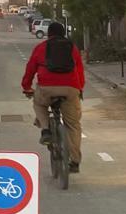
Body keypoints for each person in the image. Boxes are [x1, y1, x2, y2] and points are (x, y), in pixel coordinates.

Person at [21, 21, 84, 172]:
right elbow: (80, 70)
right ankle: (75, 161)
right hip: (70, 89)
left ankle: (46, 130)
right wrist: (79, 89)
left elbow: (30, 69)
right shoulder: (72, 48)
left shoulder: (41, 48)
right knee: (73, 125)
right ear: (64, 33)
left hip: (46, 90)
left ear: (48, 34)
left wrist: (26, 87)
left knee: (38, 104)